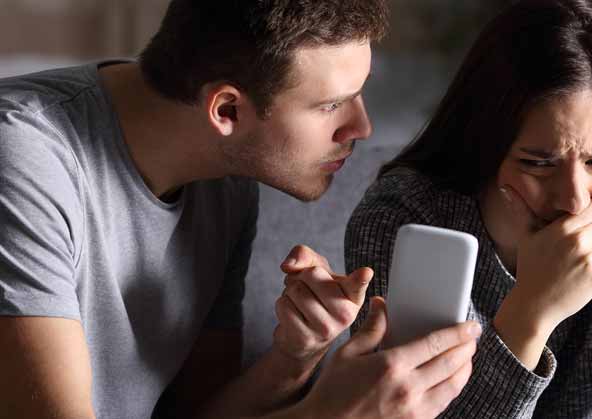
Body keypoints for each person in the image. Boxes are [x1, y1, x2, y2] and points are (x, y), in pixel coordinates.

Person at [0, 1, 481, 418]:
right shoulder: (22, 162)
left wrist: (295, 356)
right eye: (332, 105)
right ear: (226, 110)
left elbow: (195, 412)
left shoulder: (225, 177)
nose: (362, 127)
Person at [345, 0, 592, 417]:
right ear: (482, 148)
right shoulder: (404, 215)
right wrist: (531, 312)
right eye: (538, 164)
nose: (575, 200)